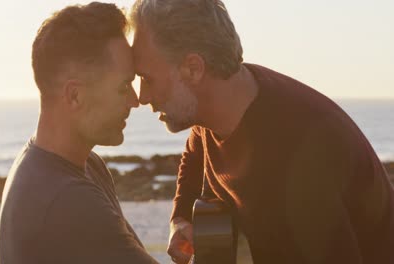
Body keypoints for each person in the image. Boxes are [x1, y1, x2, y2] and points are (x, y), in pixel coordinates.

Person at [130, 0, 394, 263]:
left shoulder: (295, 159)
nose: (141, 97)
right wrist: (181, 217)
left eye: (147, 78)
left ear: (193, 68)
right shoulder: (224, 104)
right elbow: (196, 151)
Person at [0, 3, 158, 264]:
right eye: (123, 87)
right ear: (75, 95)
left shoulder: (77, 166)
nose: (135, 100)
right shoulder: (67, 200)